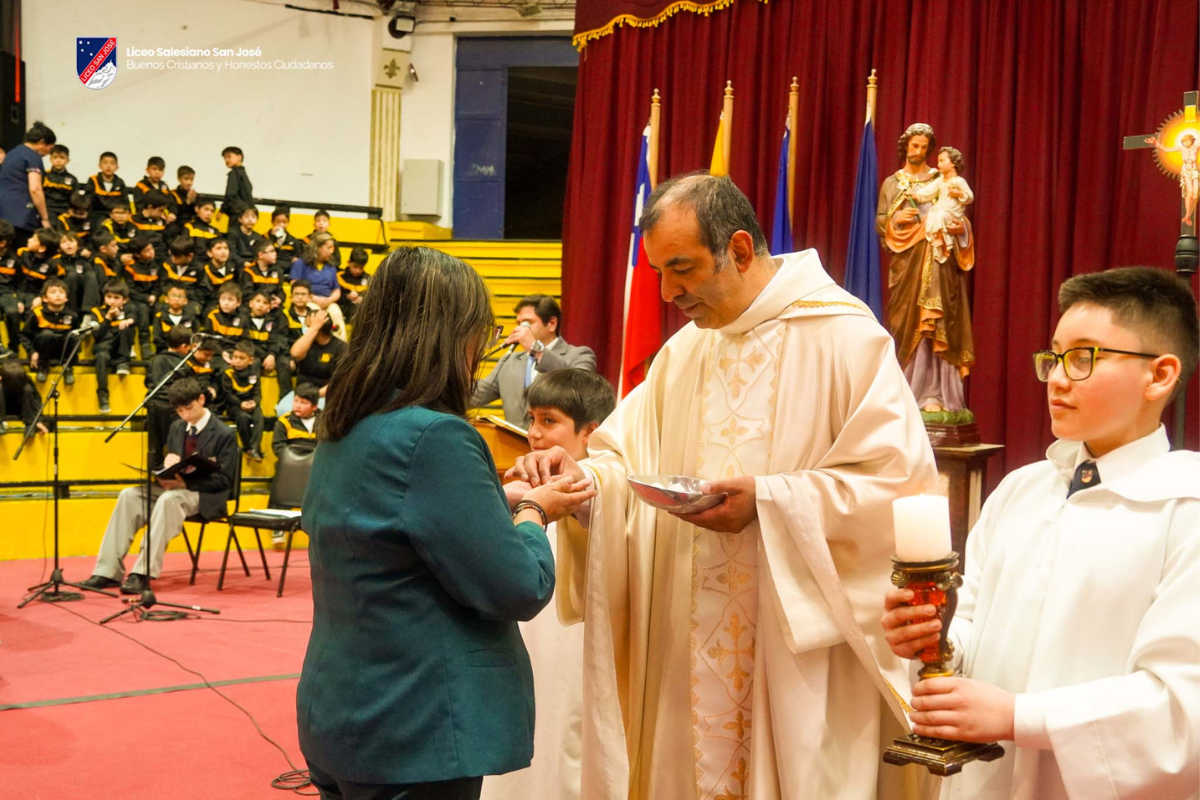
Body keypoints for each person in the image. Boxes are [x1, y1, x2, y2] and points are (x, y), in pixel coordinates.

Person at [507, 173, 938, 800]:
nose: (667, 291)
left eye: (681, 269)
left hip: (793, 659)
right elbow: (624, 460)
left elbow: (896, 486)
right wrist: (582, 479)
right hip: (687, 652)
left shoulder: (845, 338)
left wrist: (770, 501)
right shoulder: (686, 353)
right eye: (657, 271)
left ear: (738, 249)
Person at [882, 266, 1200, 800]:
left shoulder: (1185, 507)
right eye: (1054, 356)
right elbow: (973, 622)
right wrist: (932, 640)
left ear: (1160, 375)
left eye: (1083, 358)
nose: (1056, 377)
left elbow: (1181, 710)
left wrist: (1019, 716)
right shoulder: (1022, 490)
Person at [296, 244, 594, 800]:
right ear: (447, 336)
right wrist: (534, 511)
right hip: (415, 729)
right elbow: (517, 587)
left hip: (340, 712)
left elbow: (395, 530)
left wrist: (492, 501)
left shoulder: (344, 426)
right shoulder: (435, 435)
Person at [483, 368, 617, 800]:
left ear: (590, 431)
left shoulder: (611, 493)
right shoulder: (518, 484)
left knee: (568, 726)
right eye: (531, 419)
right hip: (525, 638)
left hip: (576, 639)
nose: (534, 434)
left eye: (549, 421)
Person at [78, 377, 238, 595]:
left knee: (168, 500)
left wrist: (186, 482)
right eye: (180, 411)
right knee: (129, 495)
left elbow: (225, 481)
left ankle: (143, 573)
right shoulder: (176, 427)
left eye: (189, 408)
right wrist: (165, 468)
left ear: (201, 400)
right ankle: (107, 571)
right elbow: (171, 463)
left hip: (205, 495)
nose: (185, 415)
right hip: (174, 488)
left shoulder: (224, 433)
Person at [877, 123, 976, 414]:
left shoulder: (942, 179)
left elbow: (960, 217)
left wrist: (962, 230)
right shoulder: (891, 184)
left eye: (923, 147)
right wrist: (896, 221)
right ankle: (906, 392)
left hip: (938, 259)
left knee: (938, 320)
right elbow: (881, 223)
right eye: (913, 146)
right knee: (905, 321)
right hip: (906, 263)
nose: (918, 151)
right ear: (905, 146)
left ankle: (937, 393)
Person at [471, 295, 596, 427]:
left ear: (552, 324)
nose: (520, 329)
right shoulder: (509, 361)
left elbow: (581, 388)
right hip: (511, 446)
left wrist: (536, 349)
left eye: (528, 323)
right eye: (519, 324)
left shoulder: (580, 355)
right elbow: (475, 395)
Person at [908, 146, 973, 264]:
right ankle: (938, 238)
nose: (939, 164)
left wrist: (958, 193)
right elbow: (928, 191)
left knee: (940, 216)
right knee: (932, 216)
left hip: (952, 212)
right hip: (940, 208)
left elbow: (969, 197)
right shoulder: (940, 181)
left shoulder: (959, 181)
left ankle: (943, 242)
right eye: (938, 161)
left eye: (942, 161)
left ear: (953, 163)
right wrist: (917, 195)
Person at [277, 305, 344, 416]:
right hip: (301, 393)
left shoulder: (340, 347)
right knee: (283, 409)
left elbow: (339, 381)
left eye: (308, 324)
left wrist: (315, 394)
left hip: (324, 394)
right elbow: (295, 354)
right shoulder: (307, 342)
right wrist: (313, 329)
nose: (305, 326)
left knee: (320, 414)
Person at [0, 121, 55, 244]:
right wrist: (45, 218)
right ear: (42, 142)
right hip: (21, 216)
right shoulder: (32, 157)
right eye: (49, 148)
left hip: (3, 214)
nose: (47, 154)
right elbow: (35, 189)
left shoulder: (11, 154)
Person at [289, 232, 346, 339]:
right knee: (315, 312)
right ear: (318, 248)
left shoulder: (331, 267)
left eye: (332, 248)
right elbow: (294, 284)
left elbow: (336, 290)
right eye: (328, 248)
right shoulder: (300, 264)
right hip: (308, 301)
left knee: (336, 312)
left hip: (328, 301)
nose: (331, 251)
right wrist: (313, 298)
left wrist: (330, 300)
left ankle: (341, 347)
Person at [21, 278, 79, 384]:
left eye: (61, 292)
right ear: (45, 298)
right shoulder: (36, 313)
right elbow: (24, 336)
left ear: (66, 298)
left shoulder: (73, 315)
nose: (58, 295)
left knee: (73, 336)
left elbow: (77, 339)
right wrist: (32, 352)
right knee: (47, 335)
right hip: (42, 350)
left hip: (62, 351)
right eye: (53, 292)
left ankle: (68, 368)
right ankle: (43, 368)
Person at [90, 279, 135, 413]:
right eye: (109, 297)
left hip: (119, 347)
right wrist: (108, 318)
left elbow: (135, 317)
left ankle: (123, 362)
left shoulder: (129, 311)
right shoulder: (96, 311)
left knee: (127, 328)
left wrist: (128, 321)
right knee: (101, 356)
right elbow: (97, 335)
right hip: (102, 346)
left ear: (124, 300)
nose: (112, 301)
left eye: (116, 298)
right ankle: (103, 396)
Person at [221, 339, 264, 461]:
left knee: (258, 416)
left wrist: (254, 402)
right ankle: (248, 448)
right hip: (234, 405)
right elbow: (228, 395)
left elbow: (257, 393)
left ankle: (255, 447)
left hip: (249, 403)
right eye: (235, 357)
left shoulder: (254, 374)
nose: (237, 361)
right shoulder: (228, 374)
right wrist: (240, 404)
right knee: (243, 417)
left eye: (241, 358)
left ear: (251, 360)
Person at [244, 288, 291, 397]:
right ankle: (252, 397)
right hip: (253, 354)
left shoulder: (273, 321)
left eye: (265, 303)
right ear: (251, 303)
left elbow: (276, 340)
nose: (260, 305)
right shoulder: (244, 320)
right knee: (253, 363)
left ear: (270, 307)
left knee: (284, 363)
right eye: (258, 301)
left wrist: (271, 355)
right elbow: (245, 341)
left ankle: (285, 399)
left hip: (269, 353)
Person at [1147, 132, 1200, 227]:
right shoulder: (1181, 148)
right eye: (1184, 142)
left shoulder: (1196, 146)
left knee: (1196, 195)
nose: (1186, 143)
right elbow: (1166, 149)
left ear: (1191, 140)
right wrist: (1155, 142)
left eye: (1187, 141)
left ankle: (1188, 215)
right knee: (1190, 192)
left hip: (1194, 170)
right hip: (1186, 171)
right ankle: (1187, 214)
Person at [123, 234, 162, 357]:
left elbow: (158, 285)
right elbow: (130, 290)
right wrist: (146, 298)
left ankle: (159, 343)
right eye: (147, 251)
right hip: (136, 299)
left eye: (151, 249)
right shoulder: (130, 267)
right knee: (143, 310)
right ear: (138, 254)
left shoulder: (156, 265)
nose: (151, 252)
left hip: (152, 298)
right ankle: (145, 344)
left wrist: (154, 295)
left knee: (161, 309)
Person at [53, 231, 100, 313]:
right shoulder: (56, 261)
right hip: (65, 292)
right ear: (59, 247)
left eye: (71, 241)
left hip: (82, 293)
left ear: (78, 245)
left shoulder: (83, 261)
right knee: (72, 275)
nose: (68, 244)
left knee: (91, 275)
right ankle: (71, 312)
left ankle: (88, 312)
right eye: (64, 242)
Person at [271, 381, 320, 459]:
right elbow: (278, 446)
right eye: (296, 401)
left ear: (314, 406)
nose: (298, 406)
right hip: (291, 464)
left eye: (303, 403)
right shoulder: (284, 421)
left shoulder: (324, 422)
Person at [0, 360, 47, 434]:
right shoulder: (2, 378)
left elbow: (36, 400)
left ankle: (30, 423)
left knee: (27, 389)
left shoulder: (26, 380)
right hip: (3, 408)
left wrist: (38, 420)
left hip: (22, 409)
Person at [85, 151, 130, 229]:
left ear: (117, 167)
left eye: (112, 164)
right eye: (105, 163)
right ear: (100, 165)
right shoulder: (93, 180)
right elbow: (89, 200)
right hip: (96, 215)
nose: (108, 166)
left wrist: (115, 215)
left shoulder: (120, 183)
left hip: (115, 216)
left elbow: (125, 202)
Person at [151, 283, 200, 353]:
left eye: (180, 296)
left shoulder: (191, 317)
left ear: (185, 301)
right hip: (165, 354)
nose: (176, 299)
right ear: (166, 299)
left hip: (186, 353)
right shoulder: (159, 316)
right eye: (173, 296)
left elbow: (196, 337)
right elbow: (157, 339)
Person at [204, 283, 247, 360]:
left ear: (238, 302)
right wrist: (221, 352)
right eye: (223, 299)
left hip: (236, 353)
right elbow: (209, 340)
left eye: (230, 300)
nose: (226, 303)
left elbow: (245, 340)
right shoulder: (212, 316)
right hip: (216, 353)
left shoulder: (243, 319)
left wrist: (237, 355)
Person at [163, 236, 204, 313]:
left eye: (177, 256)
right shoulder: (168, 264)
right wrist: (173, 295)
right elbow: (162, 284)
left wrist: (183, 295)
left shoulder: (200, 269)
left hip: (191, 300)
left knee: (191, 311)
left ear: (190, 256)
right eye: (172, 255)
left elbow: (202, 291)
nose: (173, 259)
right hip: (171, 299)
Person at [0, 221, 23, 354]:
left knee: (12, 312)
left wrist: (19, 299)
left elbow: (20, 283)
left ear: (2, 243)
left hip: (7, 292)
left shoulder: (14, 259)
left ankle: (14, 348)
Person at [242, 239, 284, 308]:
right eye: (272, 251)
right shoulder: (248, 272)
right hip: (254, 308)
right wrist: (265, 302)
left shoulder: (277, 270)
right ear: (261, 255)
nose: (275, 254)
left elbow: (280, 291)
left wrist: (279, 299)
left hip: (274, 308)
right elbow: (247, 295)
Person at [132, 190, 171, 261]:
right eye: (160, 211)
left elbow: (166, 241)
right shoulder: (133, 221)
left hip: (161, 258)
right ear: (150, 207)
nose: (162, 214)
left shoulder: (162, 222)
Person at [200, 238, 236, 313]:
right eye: (219, 248)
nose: (223, 252)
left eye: (226, 248)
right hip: (213, 306)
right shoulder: (205, 271)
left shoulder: (234, 267)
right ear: (209, 253)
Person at [53, 191, 94, 257]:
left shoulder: (91, 220)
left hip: (85, 251)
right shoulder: (62, 220)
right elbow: (62, 241)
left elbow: (91, 240)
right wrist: (79, 250)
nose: (78, 216)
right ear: (69, 210)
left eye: (81, 214)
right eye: (75, 213)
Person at [43, 144, 78, 221]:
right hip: (47, 209)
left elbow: (74, 199)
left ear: (67, 160)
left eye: (62, 158)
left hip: (64, 211)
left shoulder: (72, 179)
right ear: (50, 159)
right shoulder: (44, 175)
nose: (58, 160)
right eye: (55, 157)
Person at [335, 246, 369, 324]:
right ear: (349, 263)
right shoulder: (339, 276)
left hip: (361, 311)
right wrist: (347, 297)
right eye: (355, 266)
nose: (358, 271)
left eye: (361, 268)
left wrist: (364, 299)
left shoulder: (368, 279)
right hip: (343, 308)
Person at [227, 203, 265, 268]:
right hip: (237, 264)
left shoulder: (258, 237)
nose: (250, 220)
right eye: (246, 217)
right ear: (240, 219)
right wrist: (243, 263)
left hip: (253, 265)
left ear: (257, 219)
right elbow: (231, 253)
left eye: (253, 217)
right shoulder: (233, 233)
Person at [221, 146, 253, 217]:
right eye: (225, 158)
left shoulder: (234, 173)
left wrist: (222, 210)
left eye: (229, 157)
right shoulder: (243, 173)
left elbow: (230, 193)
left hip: (236, 211)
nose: (226, 160)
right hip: (246, 212)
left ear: (239, 157)